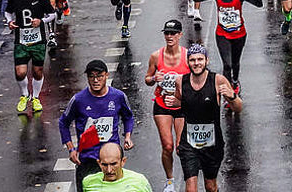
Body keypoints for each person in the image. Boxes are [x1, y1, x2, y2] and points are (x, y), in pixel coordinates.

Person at [164, 44, 241, 192]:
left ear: (207, 60)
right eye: (192, 60)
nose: (196, 63)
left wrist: (232, 97)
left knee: (210, 186)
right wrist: (175, 102)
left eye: (200, 59)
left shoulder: (218, 80)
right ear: (188, 62)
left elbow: (238, 108)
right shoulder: (180, 81)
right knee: (191, 188)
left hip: (212, 143)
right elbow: (183, 103)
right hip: (189, 143)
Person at [60, 59, 135, 191]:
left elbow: (128, 116)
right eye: (91, 76)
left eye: (99, 76)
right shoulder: (78, 100)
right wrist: (71, 148)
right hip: (88, 159)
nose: (95, 80)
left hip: (110, 159)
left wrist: (128, 136)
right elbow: (63, 123)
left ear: (106, 75)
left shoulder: (118, 96)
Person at [195, 0, 262, 92]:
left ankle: (235, 82)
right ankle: (227, 88)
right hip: (222, 34)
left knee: (235, 63)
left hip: (239, 34)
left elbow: (259, 4)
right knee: (227, 64)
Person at [145, 20, 190, 192]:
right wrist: (154, 78)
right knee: (167, 146)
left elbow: (196, 81)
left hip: (181, 105)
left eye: (173, 33)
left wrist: (183, 97)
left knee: (180, 147)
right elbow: (147, 79)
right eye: (167, 33)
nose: (169, 36)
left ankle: (189, 177)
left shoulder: (187, 57)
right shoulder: (156, 56)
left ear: (180, 35)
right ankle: (170, 180)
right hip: (161, 103)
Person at [3, 0, 56, 115]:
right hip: (21, 41)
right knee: (20, 72)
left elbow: (52, 14)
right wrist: (10, 22)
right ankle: (25, 94)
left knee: (37, 71)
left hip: (38, 41)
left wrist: (41, 21)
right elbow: (7, 12)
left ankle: (36, 97)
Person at [81, 142, 152, 192]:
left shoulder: (139, 182)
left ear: (123, 161)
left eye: (113, 164)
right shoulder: (88, 182)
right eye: (104, 165)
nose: (109, 170)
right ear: (99, 163)